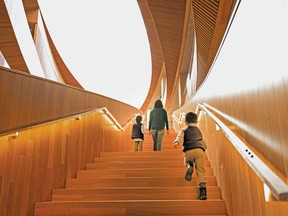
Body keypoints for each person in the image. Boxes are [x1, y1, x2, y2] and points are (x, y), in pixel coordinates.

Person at [173, 112, 208, 200]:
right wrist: (203, 149)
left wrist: (176, 142)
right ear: (196, 121)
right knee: (201, 170)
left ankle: (189, 165)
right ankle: (203, 192)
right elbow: (204, 143)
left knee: (187, 161)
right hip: (199, 150)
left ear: (185, 122)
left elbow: (179, 136)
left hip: (188, 150)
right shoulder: (199, 130)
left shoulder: (184, 129)